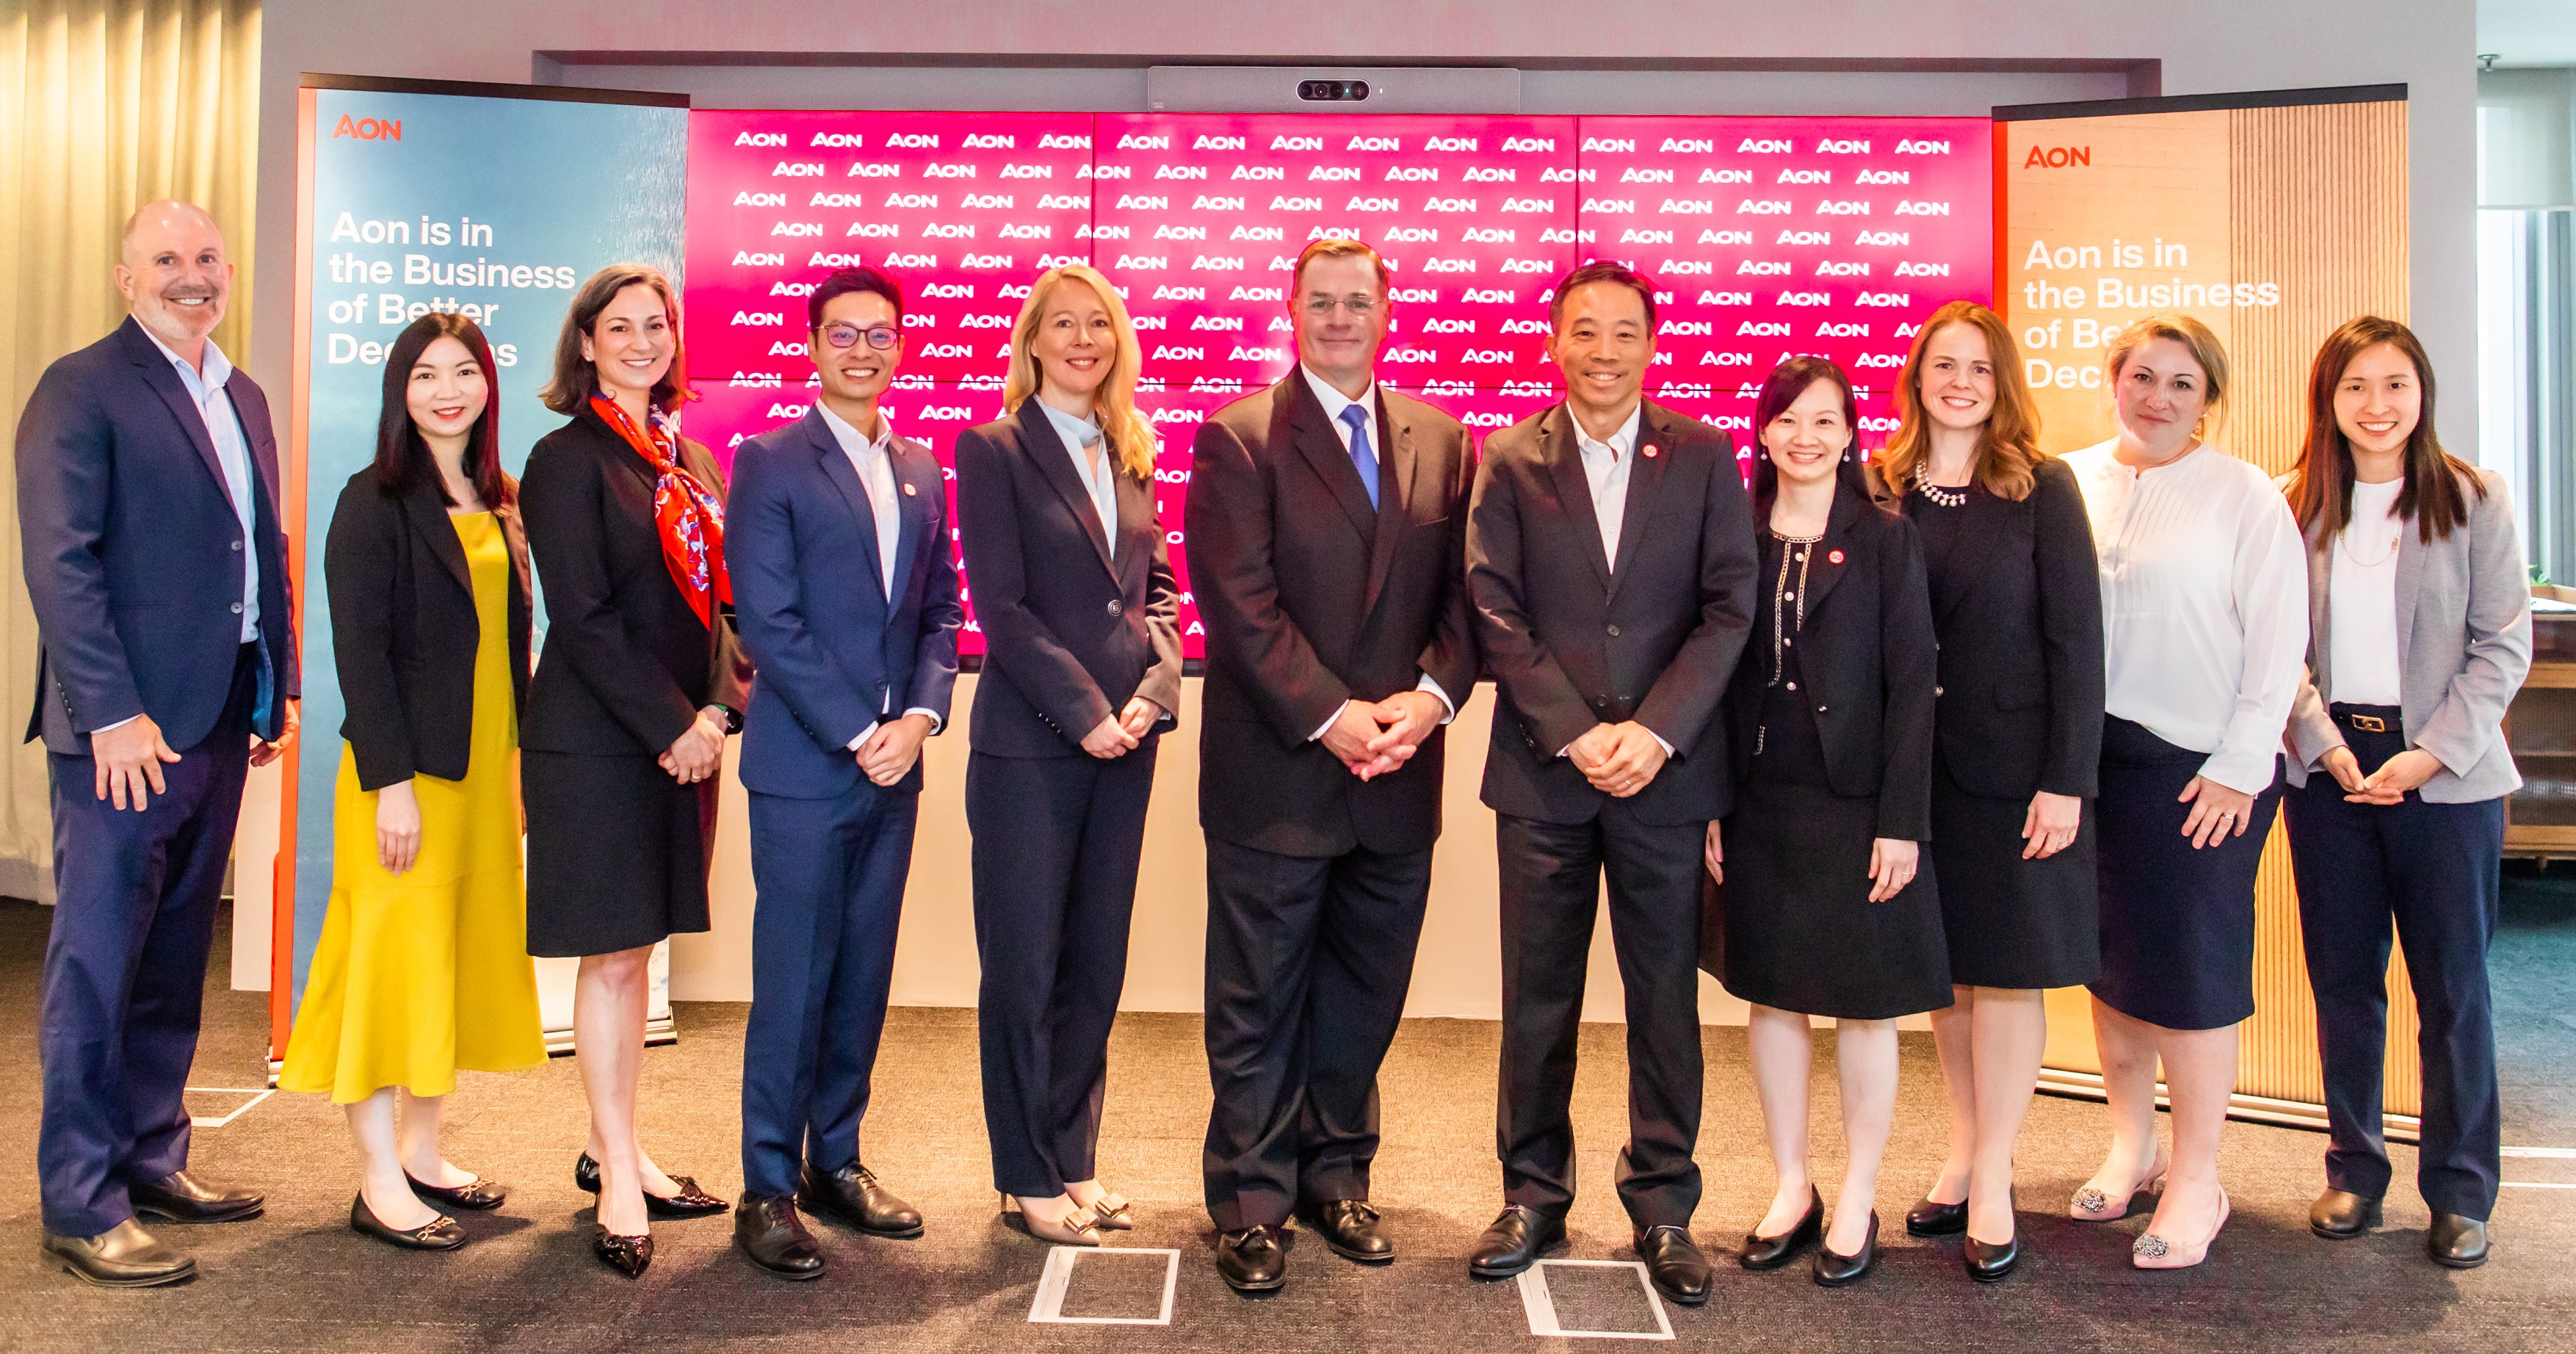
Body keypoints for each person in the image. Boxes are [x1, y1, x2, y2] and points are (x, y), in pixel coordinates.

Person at [1460, 262, 1756, 1305]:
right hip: (1546, 777)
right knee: (1536, 997)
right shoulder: (1506, 458)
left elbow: (1730, 608)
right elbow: (1492, 608)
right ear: (1555, 342)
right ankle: (1534, 1191)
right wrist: (1579, 733)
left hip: (1665, 781)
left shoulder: (1708, 454)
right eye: (1584, 332)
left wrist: (1659, 733)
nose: (1604, 351)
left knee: (1663, 1001)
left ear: (1651, 343)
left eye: (1624, 332)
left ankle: (1665, 1205)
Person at [1186, 237, 1477, 1293]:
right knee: (1258, 996)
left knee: (1364, 994)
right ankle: (1253, 1199)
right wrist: (1334, 717)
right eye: (1323, 302)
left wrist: (1429, 702)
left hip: (1401, 773)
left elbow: (1466, 604)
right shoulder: (1240, 438)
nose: (1341, 317)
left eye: (1359, 301)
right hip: (1280, 774)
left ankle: (1337, 1174)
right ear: (1293, 310)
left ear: (1388, 310)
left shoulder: (1444, 440)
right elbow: (1239, 608)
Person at [18, 200, 299, 1287]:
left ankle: (148, 1155)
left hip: (223, 712)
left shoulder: (243, 394)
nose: (193, 276)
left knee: (177, 948)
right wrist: (113, 713)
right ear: (126, 278)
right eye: (168, 260)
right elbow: (62, 563)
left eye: (208, 258)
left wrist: (270, 684)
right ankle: (80, 1202)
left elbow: (253, 550)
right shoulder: (81, 388)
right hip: (125, 731)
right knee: (97, 961)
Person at [279, 314, 546, 1252]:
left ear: (486, 385)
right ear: (400, 390)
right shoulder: (372, 499)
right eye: (425, 374)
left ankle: (427, 1152)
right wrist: (389, 783)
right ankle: (377, 1174)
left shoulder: (501, 497)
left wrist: (519, 767)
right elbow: (361, 651)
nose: (446, 389)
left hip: (482, 772)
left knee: (447, 961)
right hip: (405, 778)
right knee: (388, 968)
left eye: (463, 371)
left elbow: (512, 648)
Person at [726, 265, 960, 1279]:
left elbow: (942, 613)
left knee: (863, 975)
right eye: (842, 333)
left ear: (902, 345)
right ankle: (768, 1187)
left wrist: (917, 717)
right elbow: (768, 621)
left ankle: (840, 1161)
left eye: (880, 333)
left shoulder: (922, 466)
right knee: (794, 981)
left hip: (893, 768)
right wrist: (862, 729)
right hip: (808, 768)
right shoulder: (770, 461)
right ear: (813, 344)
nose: (862, 349)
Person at [2279, 316, 2528, 1270]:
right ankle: (2357, 1169)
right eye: (2355, 388)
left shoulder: (2472, 499)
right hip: (2332, 771)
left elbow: (2503, 645)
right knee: (2345, 986)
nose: (2376, 406)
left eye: (2395, 385)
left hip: (2447, 781)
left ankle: (2461, 1190)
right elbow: (2276, 648)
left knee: (2453, 992)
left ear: (2421, 394)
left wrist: (2426, 756)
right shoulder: (2292, 504)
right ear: (2328, 400)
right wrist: (2324, 741)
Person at [521, 263, 750, 1277]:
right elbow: (583, 616)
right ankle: (618, 1172)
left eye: (657, 325)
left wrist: (715, 708)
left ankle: (617, 1144)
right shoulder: (564, 459)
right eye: (621, 327)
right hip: (597, 742)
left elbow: (723, 603)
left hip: (680, 742)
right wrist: (672, 725)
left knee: (640, 949)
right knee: (613, 956)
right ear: (585, 344)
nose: (644, 341)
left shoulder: (688, 456)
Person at [2063, 315, 2307, 1270]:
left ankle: (2199, 1179)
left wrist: (2242, 765)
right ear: (2113, 380)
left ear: (2210, 398)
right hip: (2089, 767)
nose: (2157, 397)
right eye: (2142, 376)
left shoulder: (2245, 497)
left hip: (2202, 773)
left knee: (2193, 975)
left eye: (2182, 384)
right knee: (2113, 966)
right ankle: (2133, 1144)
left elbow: (2280, 644)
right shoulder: (2067, 481)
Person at [1876, 302, 2103, 1282]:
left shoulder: (2040, 486)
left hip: (2016, 780)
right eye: (1943, 364)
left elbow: (2077, 644)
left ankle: (1999, 1174)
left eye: (1978, 366)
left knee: (2007, 975)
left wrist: (2067, 781)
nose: (1960, 380)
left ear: (2001, 381)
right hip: (1911, 775)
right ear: (1917, 377)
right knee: (1950, 974)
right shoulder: (1881, 487)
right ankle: (1965, 1150)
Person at [954, 265, 1180, 1248]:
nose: (1084, 338)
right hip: (1031, 749)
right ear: (1033, 340)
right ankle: (1024, 1172)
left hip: (1126, 748)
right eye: (1064, 324)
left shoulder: (1133, 449)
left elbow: (1160, 596)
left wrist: (1153, 695)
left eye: (1100, 324)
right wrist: (1088, 711)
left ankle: (1074, 1158)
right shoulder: (993, 448)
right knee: (1023, 964)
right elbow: (1001, 607)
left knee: (1094, 961)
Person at [1710, 356, 1943, 1288]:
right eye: (1786, 420)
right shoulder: (1730, 534)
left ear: (1852, 432)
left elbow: (1911, 689)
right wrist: (1713, 803)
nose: (1804, 437)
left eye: (1825, 420)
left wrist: (1902, 820)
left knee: (1863, 1003)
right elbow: (1714, 678)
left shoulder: (1886, 538)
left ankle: (1857, 1192)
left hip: (1857, 806)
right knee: (1773, 995)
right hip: (1760, 801)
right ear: (1761, 432)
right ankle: (1792, 1184)